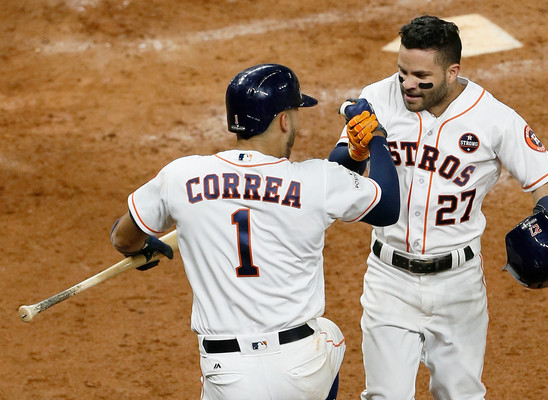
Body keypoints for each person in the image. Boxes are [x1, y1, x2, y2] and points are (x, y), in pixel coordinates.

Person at [110, 63, 400, 400]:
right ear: (283, 120)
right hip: (300, 366)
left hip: (226, 373)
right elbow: (387, 206)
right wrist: (376, 140)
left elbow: (123, 237)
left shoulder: (180, 175)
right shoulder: (316, 181)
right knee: (328, 335)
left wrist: (141, 248)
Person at [328, 15, 548, 400]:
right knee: (384, 396)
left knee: (460, 394)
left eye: (421, 75)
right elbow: (335, 178)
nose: (407, 83)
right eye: (402, 71)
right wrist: (354, 152)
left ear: (452, 71)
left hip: (459, 285)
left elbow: (545, 183)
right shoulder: (377, 97)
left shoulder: (493, 118)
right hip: (389, 279)